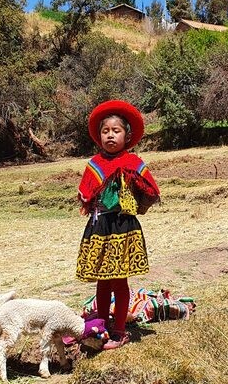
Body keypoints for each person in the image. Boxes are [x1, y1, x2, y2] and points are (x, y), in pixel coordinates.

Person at [75, 99, 160, 350]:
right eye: (105, 131)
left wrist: (137, 203)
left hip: (123, 227)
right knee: (102, 280)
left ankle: (120, 331)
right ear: (99, 136)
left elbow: (151, 191)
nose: (110, 135)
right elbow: (86, 194)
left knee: (119, 281)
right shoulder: (94, 164)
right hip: (100, 227)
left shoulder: (133, 163)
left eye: (116, 130)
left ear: (127, 135)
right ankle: (101, 328)